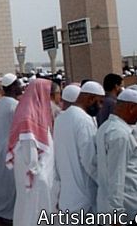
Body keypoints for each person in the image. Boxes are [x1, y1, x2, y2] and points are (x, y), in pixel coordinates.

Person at [96, 88, 137, 218]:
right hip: (132, 208)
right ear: (130, 107)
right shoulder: (119, 134)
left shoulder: (106, 128)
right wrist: (116, 212)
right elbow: (116, 175)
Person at [6, 78, 55, 225]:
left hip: (41, 171)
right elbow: (28, 147)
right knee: (32, 209)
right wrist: (35, 170)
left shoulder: (36, 110)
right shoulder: (28, 114)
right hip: (34, 174)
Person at [54, 80, 104, 213]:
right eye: (99, 102)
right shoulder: (84, 120)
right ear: (90, 99)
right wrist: (105, 183)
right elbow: (90, 160)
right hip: (84, 198)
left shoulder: (61, 118)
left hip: (67, 196)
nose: (100, 107)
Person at [0, 73, 21, 225]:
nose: (21, 87)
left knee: (3, 182)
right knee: (10, 185)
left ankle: (1, 211)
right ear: (13, 87)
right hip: (11, 149)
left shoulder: (2, 102)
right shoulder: (12, 105)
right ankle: (8, 214)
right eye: (18, 85)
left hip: (4, 147)